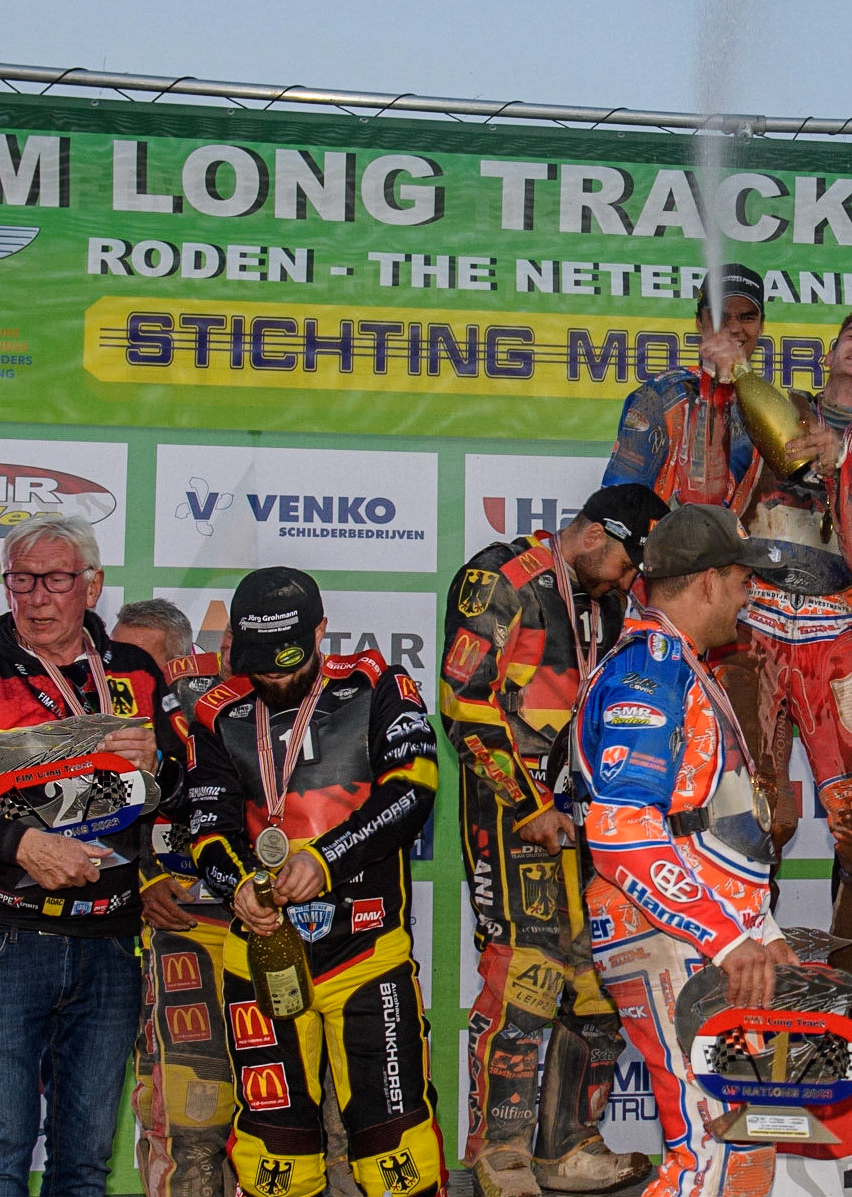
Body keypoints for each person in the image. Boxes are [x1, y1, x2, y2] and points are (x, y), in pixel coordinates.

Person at [0, 514, 182, 1197]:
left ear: (90, 586)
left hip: (108, 943)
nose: (36, 596)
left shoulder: (136, 674)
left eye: (56, 579)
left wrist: (165, 764)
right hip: (0, 938)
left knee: (85, 1164)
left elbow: (188, 787)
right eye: (22, 579)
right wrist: (20, 843)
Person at [189, 568, 445, 1197]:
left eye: (286, 660)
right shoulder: (216, 714)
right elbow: (204, 827)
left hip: (366, 955)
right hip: (263, 957)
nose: (274, 676)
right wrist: (237, 887)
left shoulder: (377, 682)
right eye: (259, 663)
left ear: (321, 632)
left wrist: (325, 859)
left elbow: (414, 790)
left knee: (395, 1144)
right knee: (274, 1152)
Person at [439, 484, 665, 1197]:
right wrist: (528, 800)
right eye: (628, 561)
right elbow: (465, 704)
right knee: (527, 977)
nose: (631, 580)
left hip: (593, 819)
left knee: (600, 984)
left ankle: (569, 1144)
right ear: (597, 532)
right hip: (514, 814)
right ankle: (499, 1150)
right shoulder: (500, 579)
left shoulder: (609, 601)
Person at [715, 307, 852, 1050]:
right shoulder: (770, 404)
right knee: (744, 828)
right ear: (831, 352)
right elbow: (707, 481)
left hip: (836, 640)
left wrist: (840, 459)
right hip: (752, 630)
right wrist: (721, 369)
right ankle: (738, 1010)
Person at [572, 504, 799, 1197]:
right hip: (667, 939)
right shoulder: (651, 666)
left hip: (705, 937)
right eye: (741, 580)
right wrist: (729, 939)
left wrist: (758, 931)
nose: (749, 595)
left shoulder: (684, 666)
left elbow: (706, 827)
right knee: (710, 1153)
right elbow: (620, 828)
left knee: (744, 1146)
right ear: (704, 581)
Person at [113, 599, 239, 1197]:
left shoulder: (234, 709)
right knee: (183, 1109)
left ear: (184, 660)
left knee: (280, 1104)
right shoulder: (106, 718)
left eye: (139, 658)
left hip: (259, 928)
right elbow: (90, 824)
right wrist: (141, 880)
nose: (123, 670)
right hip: (174, 933)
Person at [601, 263, 763, 508]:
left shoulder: (769, 409)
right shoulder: (661, 395)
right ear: (700, 323)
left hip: (735, 545)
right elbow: (618, 500)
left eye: (747, 317)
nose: (734, 327)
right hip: (661, 543)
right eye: (722, 316)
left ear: (761, 326)